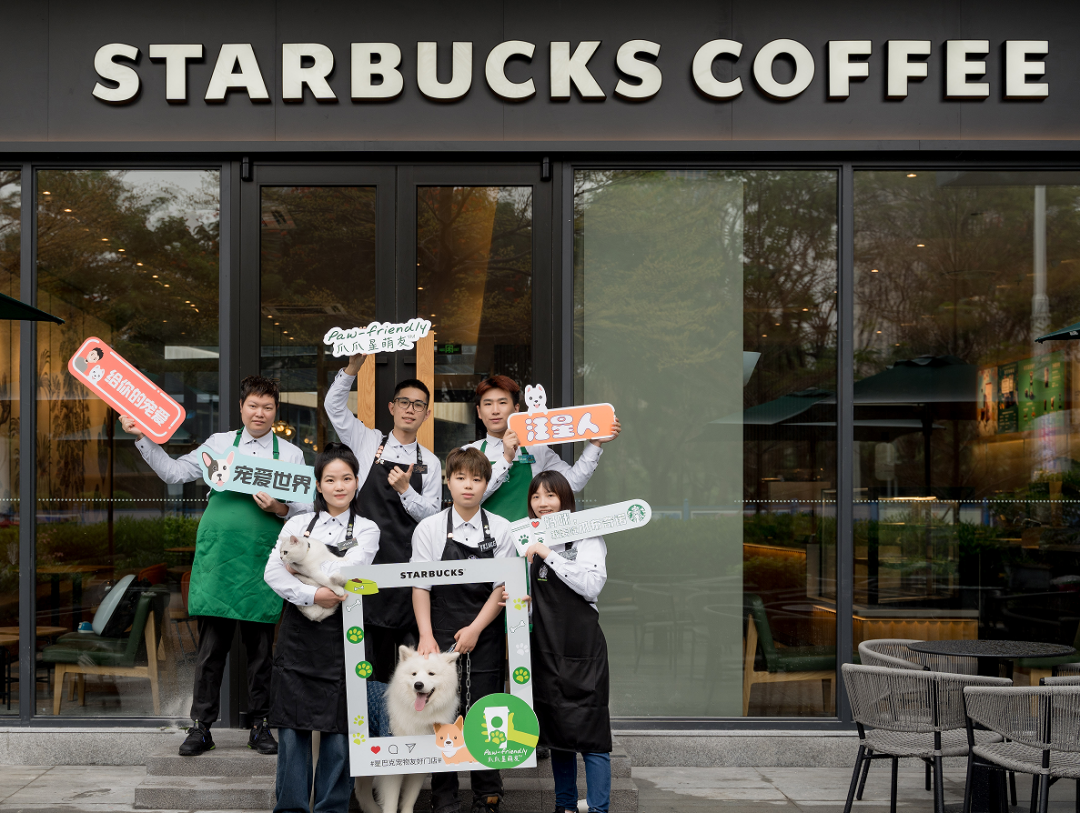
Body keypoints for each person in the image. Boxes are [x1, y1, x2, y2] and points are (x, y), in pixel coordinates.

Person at [121, 375, 305, 757]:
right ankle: (201, 727)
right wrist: (142, 437)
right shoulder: (220, 445)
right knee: (210, 651)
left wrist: (278, 508)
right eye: (253, 405)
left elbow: (305, 513)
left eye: (267, 407)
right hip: (219, 561)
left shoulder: (290, 455)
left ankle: (261, 725)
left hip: (262, 563)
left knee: (260, 654)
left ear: (276, 411)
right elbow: (174, 473)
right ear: (241, 407)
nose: (260, 413)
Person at [322, 354, 441, 729]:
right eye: (404, 403)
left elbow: (433, 518)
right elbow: (333, 406)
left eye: (418, 405)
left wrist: (407, 491)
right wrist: (352, 368)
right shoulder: (366, 441)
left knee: (412, 671)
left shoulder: (432, 463)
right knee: (365, 664)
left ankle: (405, 738)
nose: (410, 409)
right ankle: (366, 739)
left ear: (427, 413)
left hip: (408, 576)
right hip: (366, 573)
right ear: (391, 408)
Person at [264, 443, 380, 813]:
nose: (339, 486)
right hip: (299, 637)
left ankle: (332, 807)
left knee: (341, 727)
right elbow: (271, 573)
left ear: (357, 482)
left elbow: (348, 574)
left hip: (344, 637)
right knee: (293, 728)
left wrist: (300, 574)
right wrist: (313, 593)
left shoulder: (368, 529)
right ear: (318, 485)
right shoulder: (297, 523)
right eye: (330, 479)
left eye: (346, 478)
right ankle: (291, 808)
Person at [411, 447, 515, 813]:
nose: (468, 486)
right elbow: (420, 585)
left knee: (485, 712)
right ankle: (444, 796)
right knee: (442, 714)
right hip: (437, 634)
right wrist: (425, 636)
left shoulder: (501, 528)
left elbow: (502, 588)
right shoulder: (430, 527)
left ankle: (488, 792)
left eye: (476, 478)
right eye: (460, 477)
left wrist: (474, 629)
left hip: (484, 631)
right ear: (448, 481)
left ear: (487, 483)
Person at [522, 471, 612, 813]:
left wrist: (548, 553)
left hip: (584, 651)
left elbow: (591, 586)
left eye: (550, 496)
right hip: (546, 651)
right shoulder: (527, 543)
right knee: (558, 734)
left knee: (592, 735)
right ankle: (565, 807)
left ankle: (600, 808)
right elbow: (536, 599)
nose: (543, 504)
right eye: (536, 497)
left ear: (565, 500)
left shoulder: (588, 538)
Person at [464, 375, 620, 522]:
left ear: (516, 409)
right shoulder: (469, 452)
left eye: (502, 402)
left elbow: (572, 483)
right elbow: (469, 499)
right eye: (488, 404)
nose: (495, 410)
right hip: (485, 546)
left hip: (530, 544)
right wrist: (506, 459)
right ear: (479, 411)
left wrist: (595, 444)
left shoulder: (535, 450)